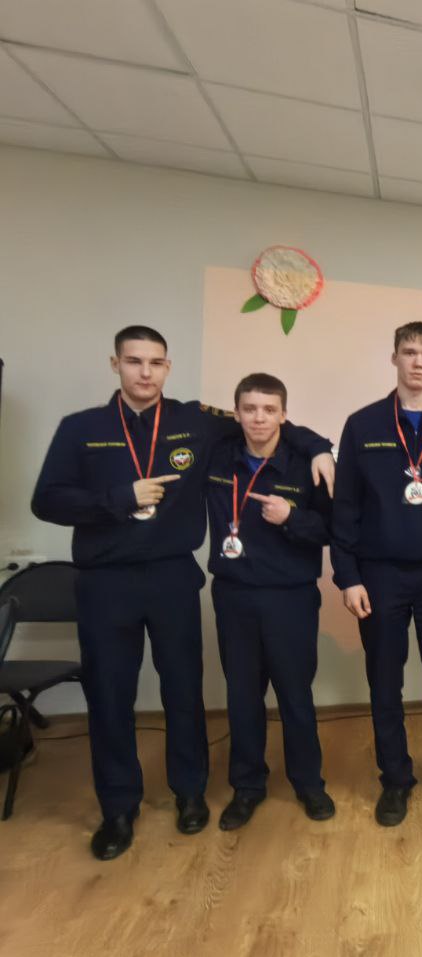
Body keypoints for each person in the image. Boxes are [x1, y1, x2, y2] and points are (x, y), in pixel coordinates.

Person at [31, 326, 334, 861]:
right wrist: (117, 498)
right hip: (105, 582)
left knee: (184, 693)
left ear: (168, 367)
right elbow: (47, 501)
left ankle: (190, 793)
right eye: (134, 361)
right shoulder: (81, 428)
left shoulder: (197, 421)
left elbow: (266, 422)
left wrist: (319, 447)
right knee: (109, 698)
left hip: (173, 578)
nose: (145, 372)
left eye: (155, 362)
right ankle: (118, 808)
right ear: (115, 364)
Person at [331, 322, 422, 827]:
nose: (418, 361)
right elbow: (346, 508)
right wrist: (348, 576)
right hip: (380, 575)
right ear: (394, 358)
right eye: (409, 352)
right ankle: (395, 780)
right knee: (384, 684)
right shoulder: (363, 425)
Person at [204, 373, 334, 830]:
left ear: (284, 415)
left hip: (290, 598)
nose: (259, 418)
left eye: (269, 410)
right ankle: (247, 786)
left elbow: (331, 530)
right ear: (236, 413)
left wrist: (292, 517)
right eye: (250, 409)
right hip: (234, 595)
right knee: (242, 696)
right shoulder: (216, 453)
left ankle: (309, 783)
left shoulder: (307, 464)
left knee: (295, 695)